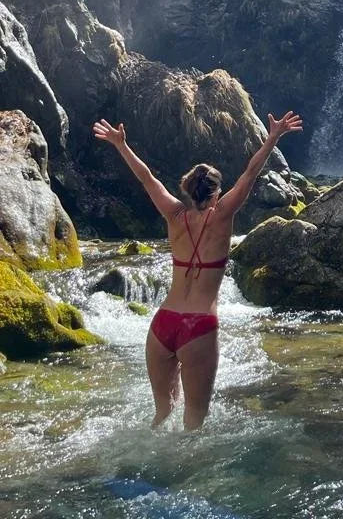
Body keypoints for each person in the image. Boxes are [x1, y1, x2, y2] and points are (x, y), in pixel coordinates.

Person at [92, 110, 303, 431]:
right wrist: (273, 137)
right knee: (194, 423)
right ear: (216, 192)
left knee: (162, 415)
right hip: (198, 327)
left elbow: (146, 177)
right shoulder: (222, 216)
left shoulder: (173, 214)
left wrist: (121, 145)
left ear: (187, 190)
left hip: (162, 324)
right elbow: (249, 174)